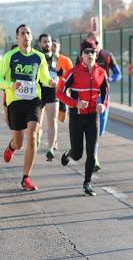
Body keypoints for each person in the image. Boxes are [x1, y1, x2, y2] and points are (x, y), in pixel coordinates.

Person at [0, 24, 56, 191]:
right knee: (19, 142)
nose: (25, 36)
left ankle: (26, 178)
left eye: (28, 33)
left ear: (32, 38)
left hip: (34, 101)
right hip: (15, 102)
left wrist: (50, 82)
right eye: (22, 33)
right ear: (17, 38)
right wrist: (11, 85)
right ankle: (11, 147)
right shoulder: (10, 57)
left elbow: (44, 77)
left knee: (32, 134)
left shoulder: (39, 57)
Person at [57, 40, 109, 196]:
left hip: (93, 117)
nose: (90, 55)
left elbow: (106, 94)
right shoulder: (73, 72)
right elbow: (59, 93)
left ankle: (87, 183)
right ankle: (69, 153)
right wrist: (75, 103)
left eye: (93, 52)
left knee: (92, 153)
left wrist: (103, 106)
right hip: (77, 117)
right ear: (81, 56)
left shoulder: (101, 72)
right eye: (86, 52)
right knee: (78, 154)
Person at [77, 32, 121, 172]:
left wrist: (109, 80)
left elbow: (118, 73)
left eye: (96, 43)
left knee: (99, 130)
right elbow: (75, 74)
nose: (93, 47)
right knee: (89, 129)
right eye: (90, 45)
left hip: (102, 98)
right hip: (86, 98)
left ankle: (91, 152)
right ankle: (94, 158)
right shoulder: (82, 56)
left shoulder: (107, 56)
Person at [37, 34, 61, 161]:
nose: (47, 44)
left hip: (52, 94)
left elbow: (65, 74)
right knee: (38, 124)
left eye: (49, 41)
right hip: (39, 93)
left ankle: (51, 148)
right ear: (40, 43)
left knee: (52, 121)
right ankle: (38, 138)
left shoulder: (58, 59)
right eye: (44, 42)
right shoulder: (36, 57)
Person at [51, 38, 73, 124]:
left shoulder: (66, 60)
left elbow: (72, 76)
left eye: (55, 46)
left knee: (62, 118)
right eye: (51, 46)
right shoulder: (45, 59)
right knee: (51, 119)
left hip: (62, 91)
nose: (53, 48)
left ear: (59, 47)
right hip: (50, 91)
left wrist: (62, 72)